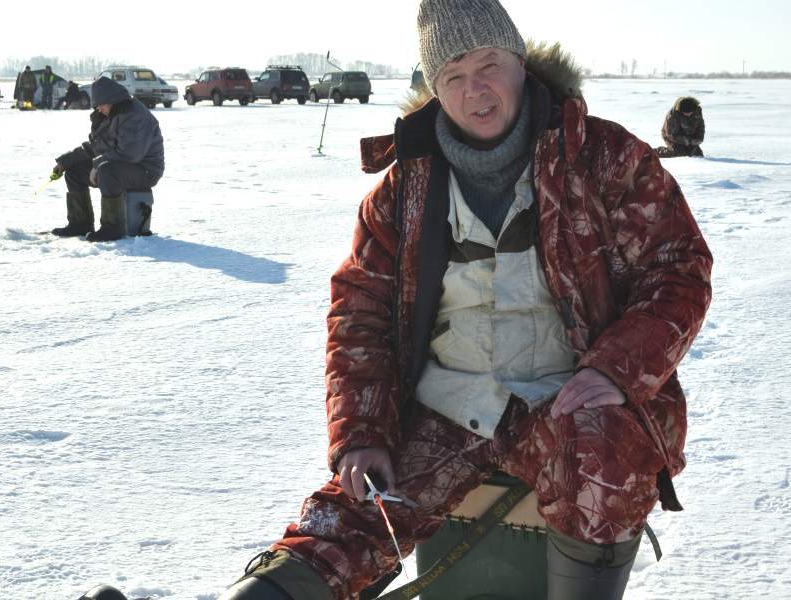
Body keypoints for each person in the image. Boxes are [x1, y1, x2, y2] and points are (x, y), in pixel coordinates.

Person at [80, 1, 712, 599]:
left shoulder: (602, 156)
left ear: (521, 63)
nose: (475, 89)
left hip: (567, 397)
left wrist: (617, 368)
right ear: (435, 88)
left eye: (489, 65)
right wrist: (359, 432)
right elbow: (359, 313)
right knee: (353, 512)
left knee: (602, 458)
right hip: (448, 406)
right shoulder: (403, 186)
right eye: (454, 75)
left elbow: (678, 268)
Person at [51, 77, 164, 242]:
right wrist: (65, 161)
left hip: (145, 170)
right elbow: (95, 147)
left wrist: (97, 164)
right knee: (74, 171)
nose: (100, 110)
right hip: (119, 166)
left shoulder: (135, 115)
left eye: (101, 105)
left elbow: (131, 154)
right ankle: (80, 224)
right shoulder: (110, 115)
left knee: (106, 170)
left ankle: (112, 228)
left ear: (112, 100)